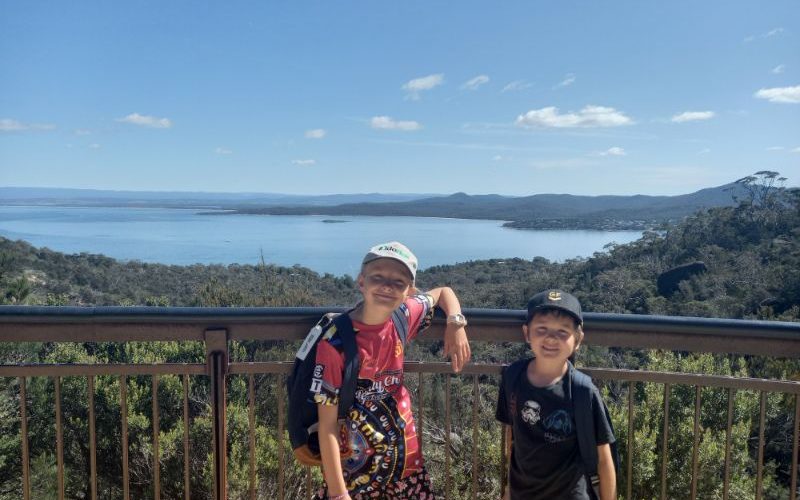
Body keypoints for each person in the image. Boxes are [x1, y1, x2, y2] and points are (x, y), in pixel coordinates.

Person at [311, 241, 471, 500]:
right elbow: (326, 426)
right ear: (361, 282)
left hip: (406, 466)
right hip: (355, 473)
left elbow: (443, 292)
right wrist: (338, 493)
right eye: (378, 277)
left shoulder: (403, 316)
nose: (387, 286)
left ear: (409, 291)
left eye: (398, 282)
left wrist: (455, 321)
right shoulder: (335, 342)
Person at [496, 289, 616, 500]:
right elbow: (513, 438)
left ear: (577, 340)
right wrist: (509, 489)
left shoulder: (582, 390)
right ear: (527, 333)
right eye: (541, 329)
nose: (551, 338)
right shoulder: (512, 376)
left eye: (563, 331)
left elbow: (604, 460)